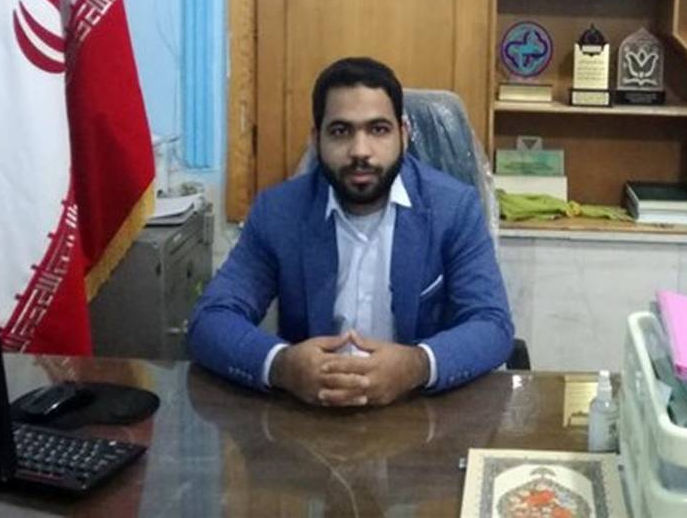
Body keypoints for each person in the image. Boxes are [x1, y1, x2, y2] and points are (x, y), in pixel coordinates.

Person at [188, 57, 513, 407]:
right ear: (317, 139)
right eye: (341, 131)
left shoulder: (453, 208)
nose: (360, 151)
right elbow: (210, 320)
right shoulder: (279, 212)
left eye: (378, 130)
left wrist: (417, 365)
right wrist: (282, 366)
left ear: (404, 135)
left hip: (418, 410)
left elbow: (491, 324)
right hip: (311, 414)